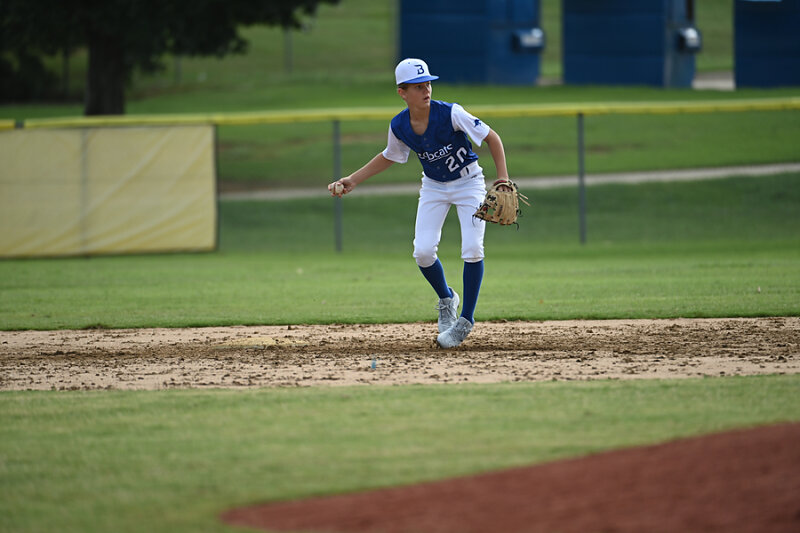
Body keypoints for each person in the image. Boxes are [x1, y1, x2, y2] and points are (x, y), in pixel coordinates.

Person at [328, 58, 511, 348]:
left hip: (469, 183)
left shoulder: (451, 113)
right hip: (434, 187)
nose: (426, 89)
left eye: (427, 83)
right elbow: (390, 155)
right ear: (402, 92)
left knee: (473, 248)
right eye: (417, 86)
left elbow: (492, 138)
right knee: (423, 252)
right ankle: (447, 299)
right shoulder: (399, 125)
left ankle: (465, 320)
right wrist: (353, 179)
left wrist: (502, 179)